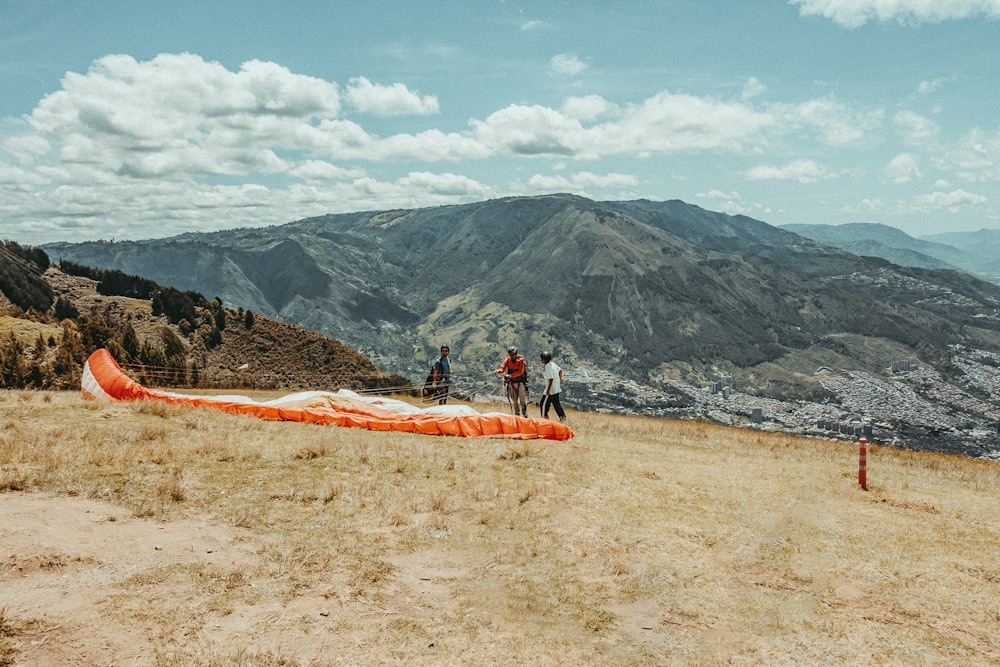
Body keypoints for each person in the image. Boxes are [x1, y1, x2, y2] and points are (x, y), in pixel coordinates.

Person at [496, 345, 529, 417]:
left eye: (513, 355)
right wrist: (499, 371)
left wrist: (510, 376)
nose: (511, 356)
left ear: (516, 354)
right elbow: (502, 368)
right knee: (514, 401)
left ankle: (525, 415)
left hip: (520, 383)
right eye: (510, 355)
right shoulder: (508, 360)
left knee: (522, 400)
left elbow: (520, 372)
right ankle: (517, 415)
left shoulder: (521, 361)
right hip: (512, 383)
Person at [538, 351, 567, 423]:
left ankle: (544, 419)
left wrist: (548, 390)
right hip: (556, 389)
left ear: (545, 359)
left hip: (551, 390)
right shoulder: (553, 364)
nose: (541, 360)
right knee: (557, 405)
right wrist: (558, 380)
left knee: (543, 404)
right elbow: (560, 371)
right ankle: (563, 418)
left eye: (542, 359)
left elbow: (551, 379)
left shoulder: (547, 366)